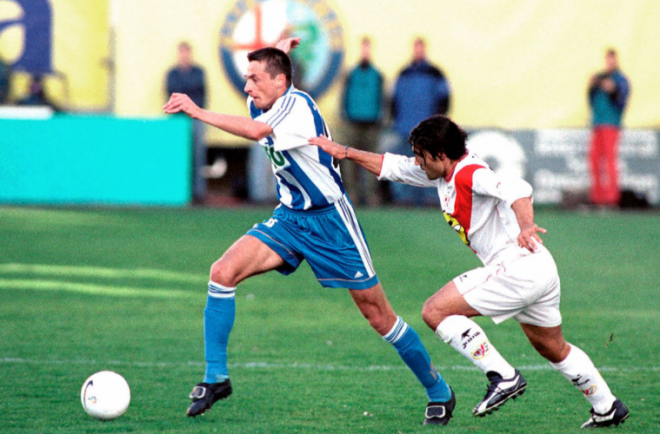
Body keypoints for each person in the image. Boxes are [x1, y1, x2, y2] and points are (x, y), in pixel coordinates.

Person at [163, 39, 456, 426]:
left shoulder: (297, 108)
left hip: (332, 222)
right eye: (247, 78)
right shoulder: (267, 98)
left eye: (254, 79)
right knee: (222, 272)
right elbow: (269, 84)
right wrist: (279, 47)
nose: (247, 86)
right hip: (290, 219)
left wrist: (197, 111)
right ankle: (216, 377)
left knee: (378, 316)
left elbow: (255, 132)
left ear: (281, 82)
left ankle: (439, 391)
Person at [310, 115, 630, 429]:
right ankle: (607, 406)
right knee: (552, 347)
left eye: (421, 156)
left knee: (434, 310)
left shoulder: (469, 174)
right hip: (539, 268)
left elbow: (518, 188)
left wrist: (527, 223)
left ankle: (502, 375)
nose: (417, 162)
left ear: (441, 155)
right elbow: (392, 166)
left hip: (516, 269)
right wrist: (346, 152)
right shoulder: (441, 171)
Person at [390, 37, 450, 206]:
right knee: (404, 163)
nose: (418, 51)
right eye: (416, 48)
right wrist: (397, 120)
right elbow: (393, 99)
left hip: (427, 130)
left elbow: (444, 99)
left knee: (431, 163)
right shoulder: (403, 73)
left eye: (421, 48)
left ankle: (431, 198)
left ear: (425, 50)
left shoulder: (436, 73)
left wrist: (437, 124)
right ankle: (403, 198)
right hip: (405, 128)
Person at [340, 37, 384, 206]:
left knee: (373, 161)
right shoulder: (351, 73)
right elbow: (344, 95)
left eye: (368, 48)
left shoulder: (377, 74)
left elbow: (382, 97)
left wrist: (381, 117)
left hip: (372, 123)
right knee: (349, 160)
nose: (365, 52)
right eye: (363, 48)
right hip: (352, 122)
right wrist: (344, 114)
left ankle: (371, 195)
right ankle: (352, 194)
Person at [166, 42, 208, 204]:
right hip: (178, 120)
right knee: (178, 156)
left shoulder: (198, 72)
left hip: (195, 118)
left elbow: (200, 91)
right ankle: (178, 191)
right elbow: (171, 91)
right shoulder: (172, 73)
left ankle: (198, 193)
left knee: (198, 155)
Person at [587, 48, 630, 208]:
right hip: (597, 124)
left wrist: (613, 90)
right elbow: (591, 98)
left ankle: (612, 198)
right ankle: (597, 198)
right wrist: (592, 86)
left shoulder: (620, 79)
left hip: (611, 124)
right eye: (607, 59)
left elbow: (622, 100)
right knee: (594, 160)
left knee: (610, 160)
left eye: (612, 59)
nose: (609, 62)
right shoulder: (600, 77)